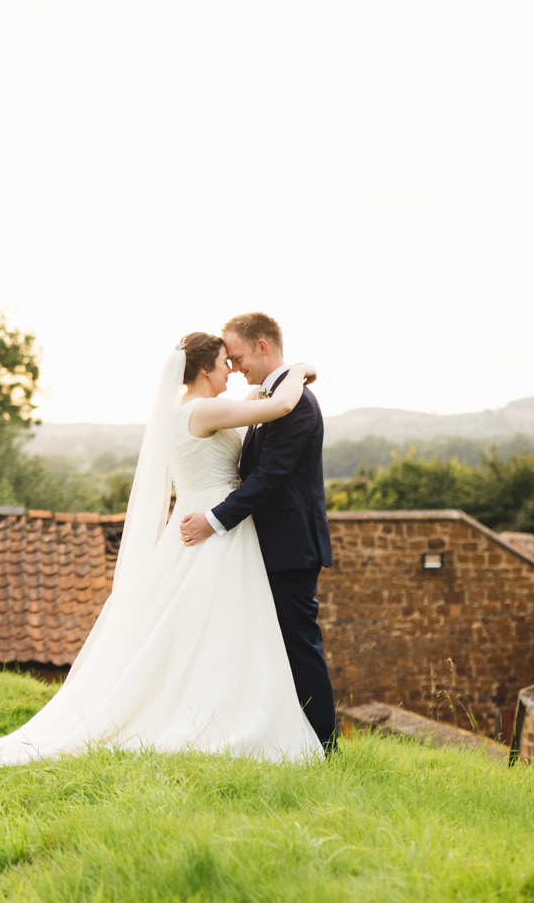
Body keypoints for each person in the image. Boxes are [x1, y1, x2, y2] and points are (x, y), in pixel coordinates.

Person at [0, 326, 324, 804]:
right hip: (212, 525)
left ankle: (218, 707)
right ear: (203, 369)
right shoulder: (206, 409)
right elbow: (279, 406)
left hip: (205, 521)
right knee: (215, 624)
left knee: (203, 626)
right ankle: (225, 715)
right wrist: (300, 369)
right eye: (224, 364)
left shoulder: (183, 413)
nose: (231, 371)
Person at [177, 311, 337, 747]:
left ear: (262, 347)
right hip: (262, 541)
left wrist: (213, 519)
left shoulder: (297, 402)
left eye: (239, 356)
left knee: (299, 647)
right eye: (225, 360)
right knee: (268, 646)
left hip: (290, 544)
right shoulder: (272, 393)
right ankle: (277, 733)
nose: (235, 366)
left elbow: (270, 476)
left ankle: (325, 745)